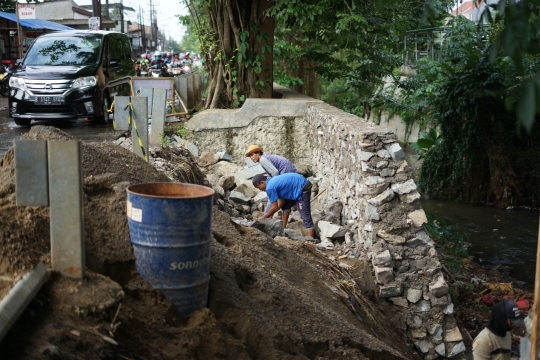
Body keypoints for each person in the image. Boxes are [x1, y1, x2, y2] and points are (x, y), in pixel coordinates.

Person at [252, 173, 315, 238]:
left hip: (302, 188)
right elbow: (282, 201)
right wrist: (271, 213)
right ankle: (283, 229)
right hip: (298, 184)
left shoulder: (269, 188)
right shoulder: (271, 181)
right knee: (285, 206)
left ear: (262, 182)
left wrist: (264, 216)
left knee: (305, 216)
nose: (260, 189)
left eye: (258, 187)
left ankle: (311, 240)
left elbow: (274, 207)